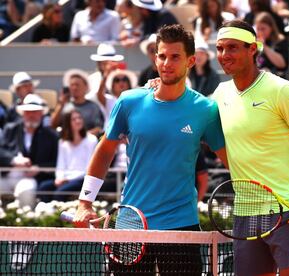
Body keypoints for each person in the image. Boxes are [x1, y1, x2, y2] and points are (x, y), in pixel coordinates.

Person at [73, 24, 227, 274]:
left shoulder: (206, 110)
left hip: (182, 226)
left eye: (175, 56)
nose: (167, 63)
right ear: (155, 58)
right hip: (130, 223)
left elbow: (231, 159)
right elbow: (104, 151)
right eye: (162, 55)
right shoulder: (129, 101)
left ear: (191, 61)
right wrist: (85, 202)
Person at [212, 19, 289, 276]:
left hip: (287, 211)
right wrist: (158, 86)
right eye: (220, 48)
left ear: (252, 49)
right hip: (245, 213)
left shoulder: (282, 90)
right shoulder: (220, 94)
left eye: (232, 47)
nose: (224, 55)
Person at [0, 94, 58, 208]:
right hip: (6, 176)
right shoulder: (10, 129)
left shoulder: (51, 136)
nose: (31, 115)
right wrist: (14, 160)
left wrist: (38, 168)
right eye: (28, 112)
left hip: (29, 179)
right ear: (22, 113)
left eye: (35, 112)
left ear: (41, 114)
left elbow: (55, 163)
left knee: (26, 192)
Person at [37, 109, 97, 202]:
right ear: (67, 123)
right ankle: (46, 214)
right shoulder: (62, 142)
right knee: (43, 188)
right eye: (74, 119)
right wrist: (59, 178)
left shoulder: (91, 140)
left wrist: (67, 180)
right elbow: (61, 164)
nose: (78, 121)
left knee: (60, 192)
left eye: (79, 118)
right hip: (65, 178)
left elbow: (89, 168)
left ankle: (58, 215)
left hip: (82, 179)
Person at [51, 69, 105, 136]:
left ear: (86, 87)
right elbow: (53, 125)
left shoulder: (93, 107)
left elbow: (98, 128)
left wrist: (82, 137)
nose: (74, 88)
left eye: (77, 85)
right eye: (72, 85)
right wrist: (61, 104)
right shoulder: (64, 106)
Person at [254, 11, 289, 78]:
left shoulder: (280, 41)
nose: (260, 32)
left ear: (271, 27)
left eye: (263, 29)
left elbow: (282, 64)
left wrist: (264, 47)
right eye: (258, 29)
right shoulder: (254, 41)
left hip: (277, 77)